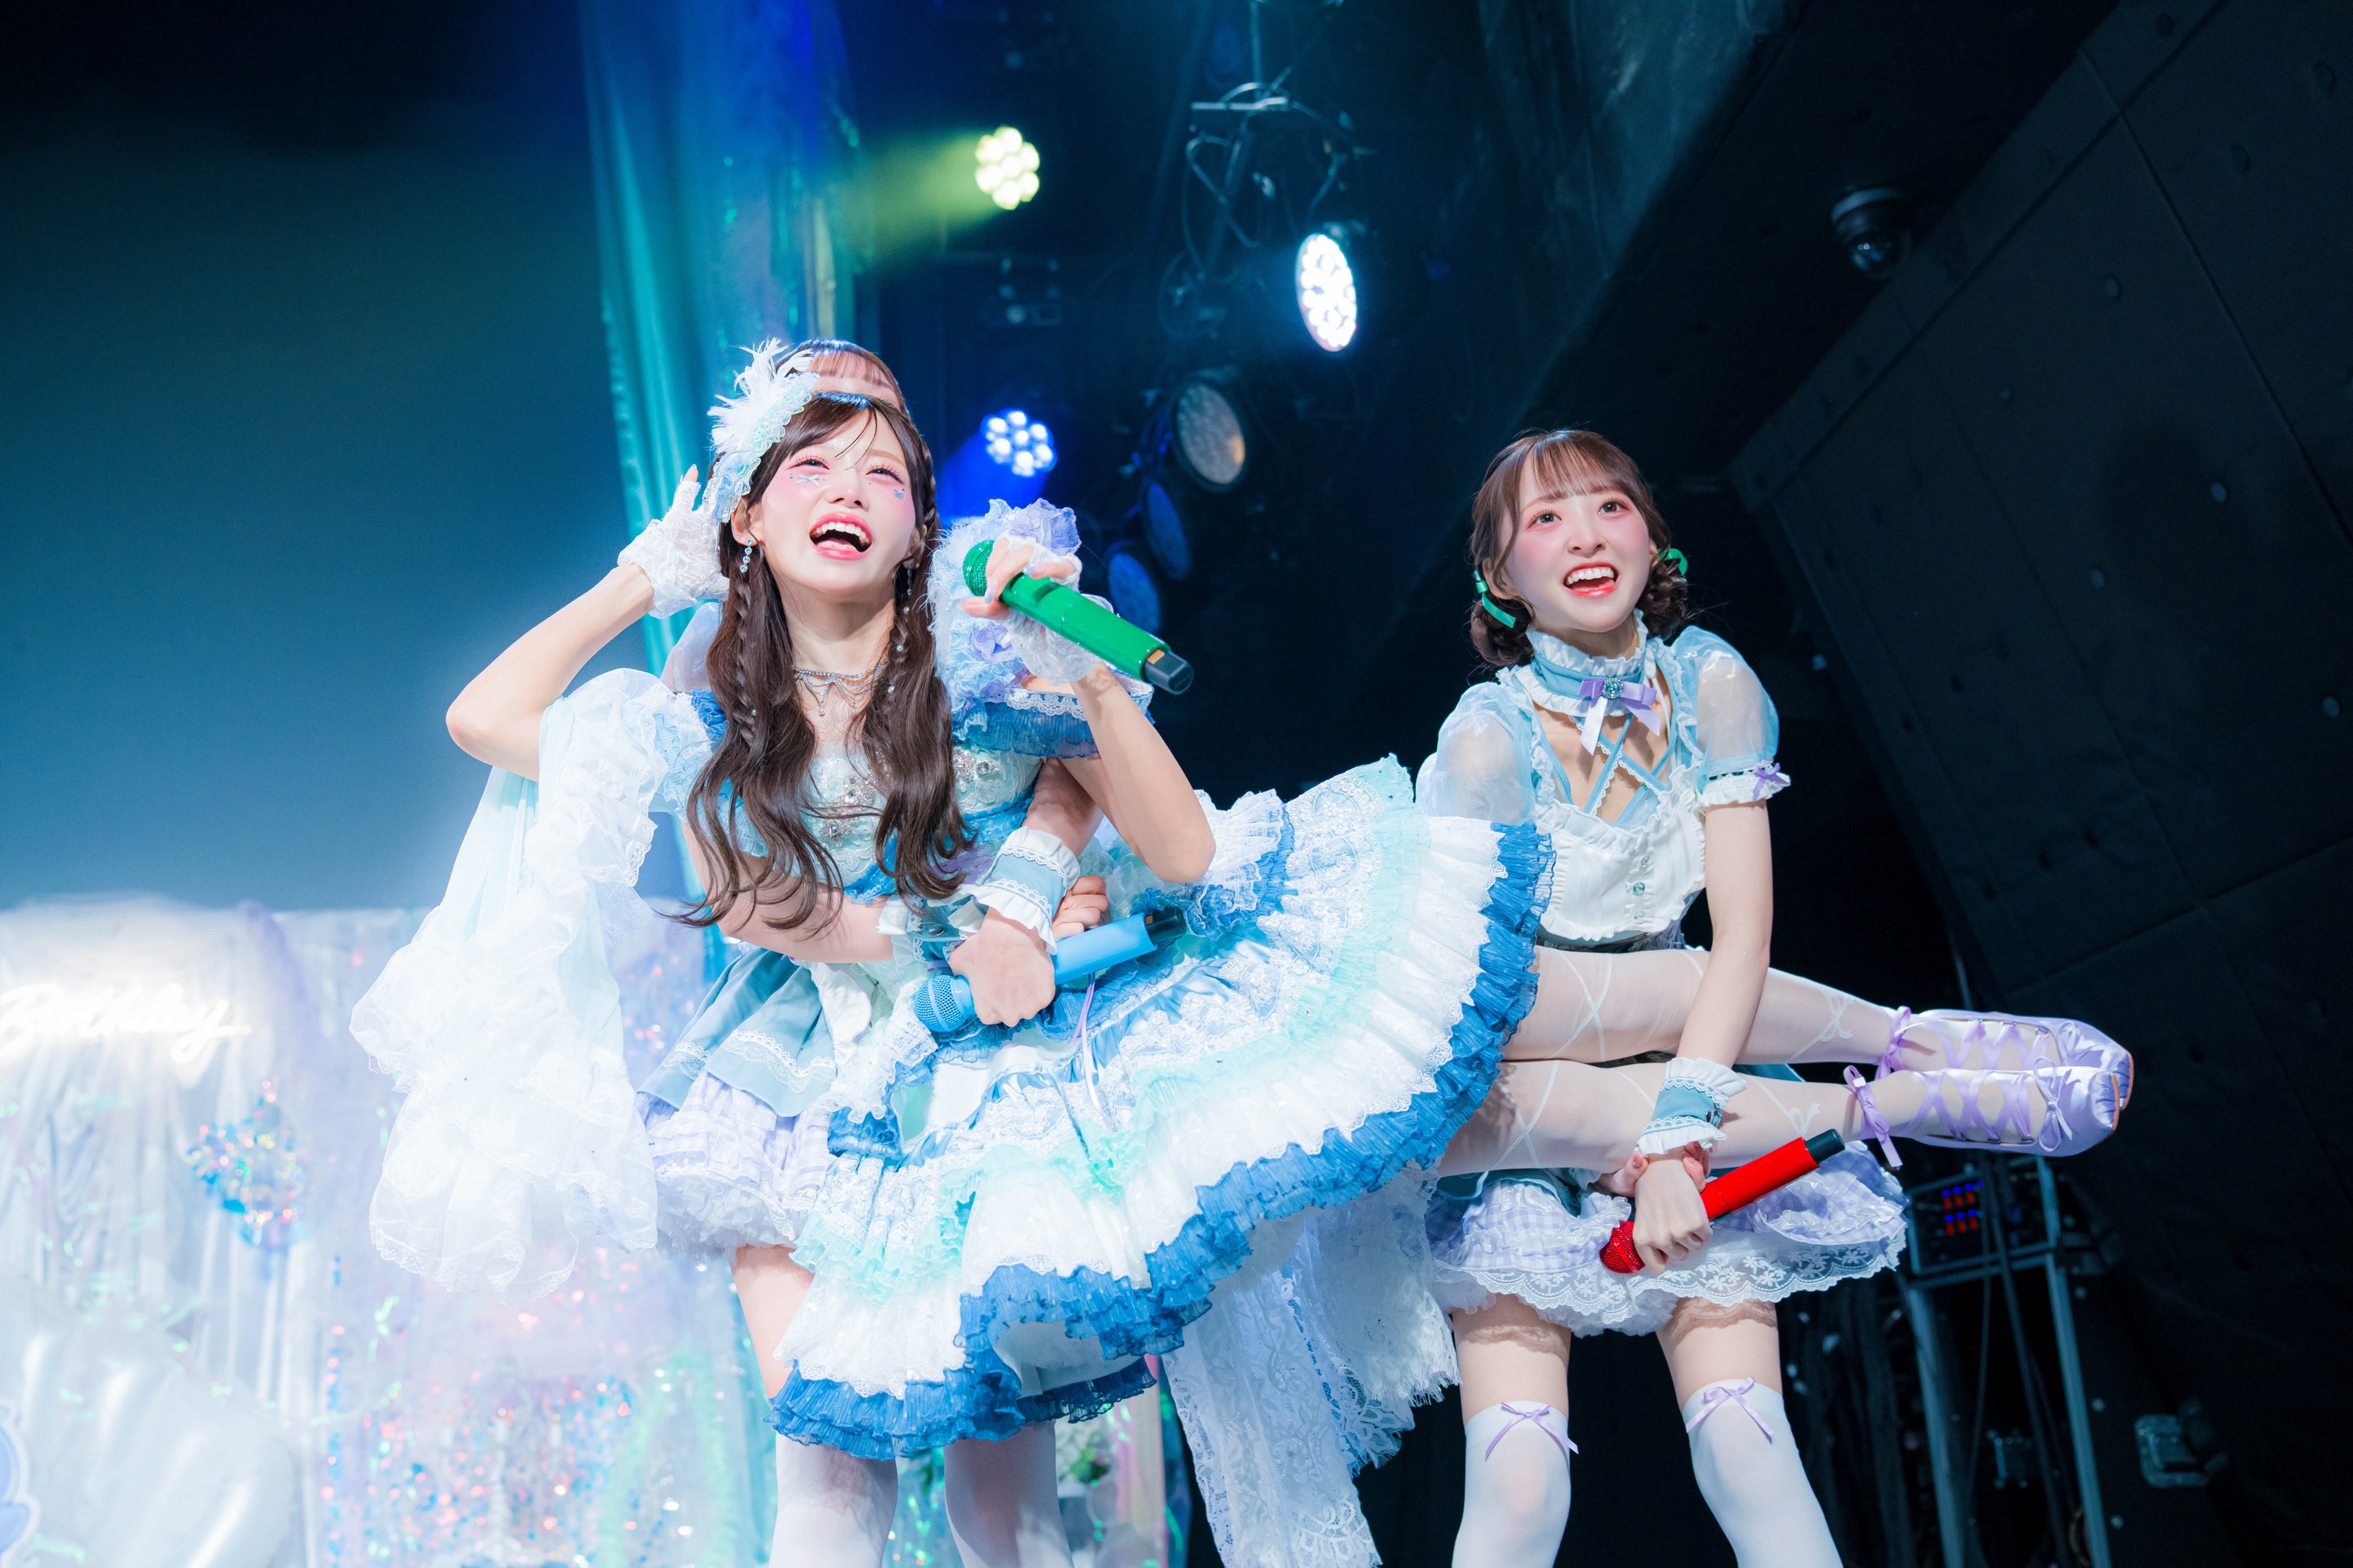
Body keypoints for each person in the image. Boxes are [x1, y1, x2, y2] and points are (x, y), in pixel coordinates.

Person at [1414, 429, 2132, 1567]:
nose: (1586, 535)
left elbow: (1741, 935)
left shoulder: (1710, 682)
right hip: (1521, 1080)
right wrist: (1643, 1142)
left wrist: (1676, 1138)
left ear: (1653, 534)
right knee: (1520, 1488)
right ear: (1498, 575)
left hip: (1699, 1068)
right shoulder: (1484, 742)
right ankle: (1893, 1088)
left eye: (1609, 506)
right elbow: (1471, 993)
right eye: (1546, 519)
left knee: (1748, 1452)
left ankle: (1903, 1060)